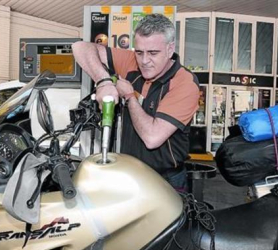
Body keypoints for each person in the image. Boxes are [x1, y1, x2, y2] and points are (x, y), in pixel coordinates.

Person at [72, 14, 199, 192]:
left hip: (165, 180)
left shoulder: (184, 83)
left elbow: (152, 138)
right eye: (139, 52)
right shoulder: (132, 62)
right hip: (129, 174)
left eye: (153, 53)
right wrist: (104, 81)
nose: (144, 60)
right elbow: (80, 47)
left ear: (170, 50)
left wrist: (130, 97)